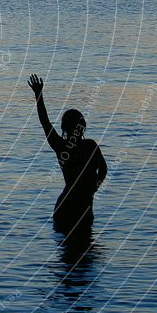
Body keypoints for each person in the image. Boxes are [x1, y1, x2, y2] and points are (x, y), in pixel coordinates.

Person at [27, 74, 107, 233]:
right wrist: (94, 187)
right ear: (82, 126)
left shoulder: (62, 146)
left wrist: (39, 95)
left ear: (64, 128)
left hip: (66, 208)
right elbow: (103, 170)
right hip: (81, 209)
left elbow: (45, 122)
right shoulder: (90, 146)